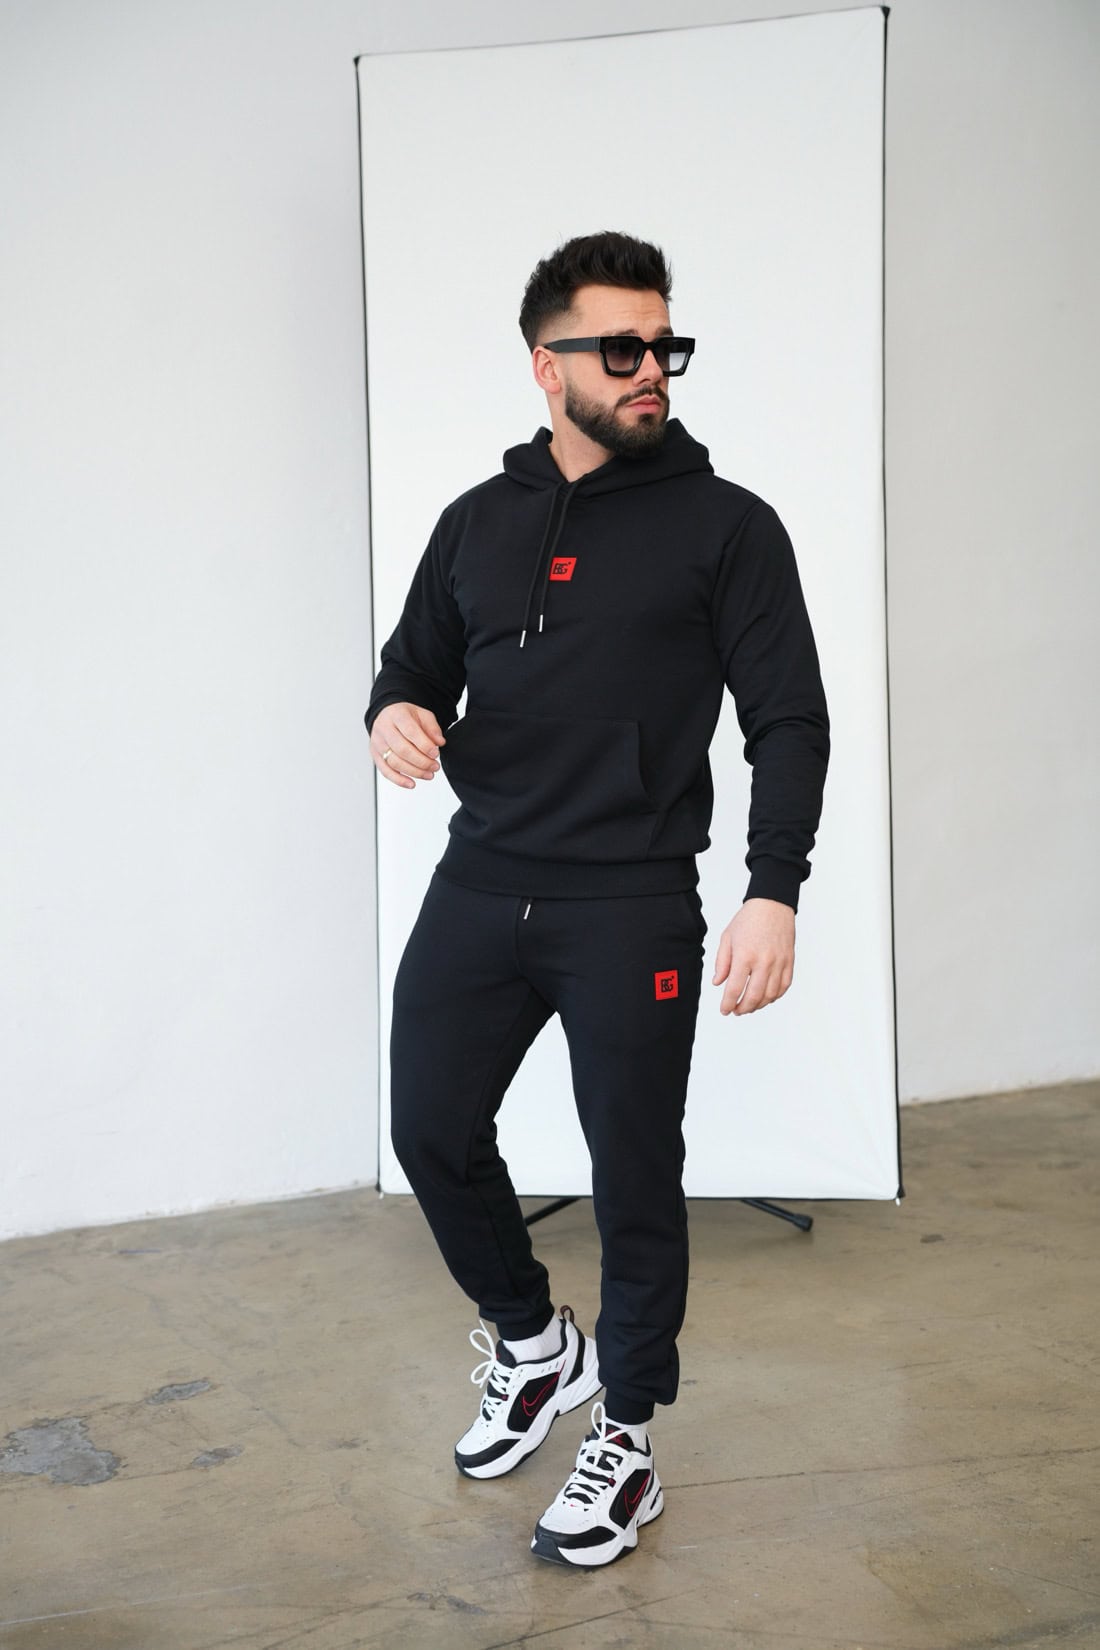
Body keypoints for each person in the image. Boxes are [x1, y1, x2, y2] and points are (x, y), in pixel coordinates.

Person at [363, 230, 829, 1568]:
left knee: (633, 1171)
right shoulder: (478, 519)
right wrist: (393, 714)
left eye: (663, 346)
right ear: (545, 365)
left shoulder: (728, 526)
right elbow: (412, 667)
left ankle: (624, 1433)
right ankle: (532, 1343)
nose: (649, 369)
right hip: (483, 876)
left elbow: (789, 720)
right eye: (619, 347)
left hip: (630, 900)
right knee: (430, 1126)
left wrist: (774, 888)